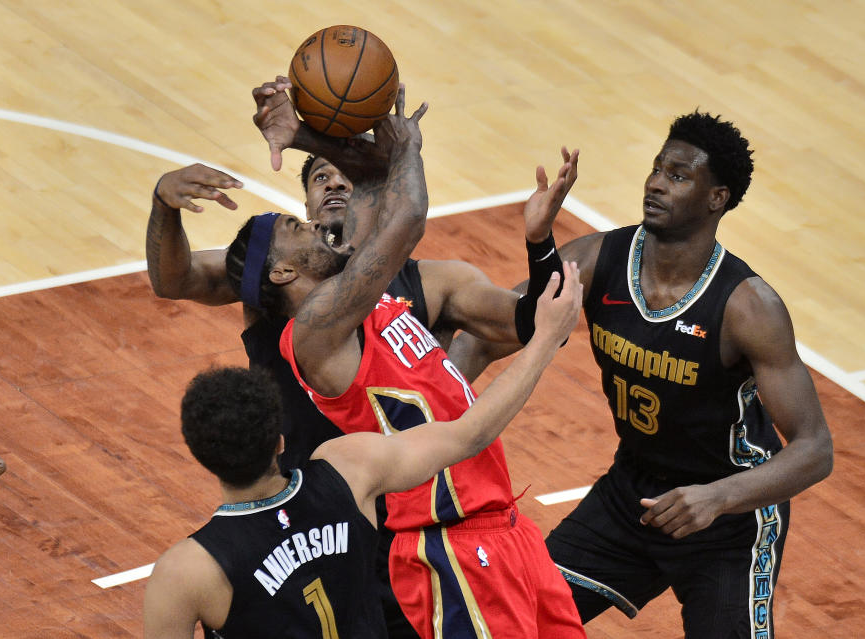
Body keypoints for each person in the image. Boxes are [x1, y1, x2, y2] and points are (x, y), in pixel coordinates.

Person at [148, 83, 576, 638]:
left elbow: (533, 321)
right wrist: (406, 148)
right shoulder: (307, 317)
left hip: (478, 515)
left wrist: (305, 133)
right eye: (316, 178)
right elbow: (407, 213)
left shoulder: (412, 285)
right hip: (361, 521)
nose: (334, 186)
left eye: (345, 175)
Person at [142, 267, 584, 638]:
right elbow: (472, 431)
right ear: (280, 439)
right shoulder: (350, 471)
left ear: (200, 456)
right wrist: (545, 338)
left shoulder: (185, 571)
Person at [534, 111, 834, 638]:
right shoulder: (598, 258)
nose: (654, 182)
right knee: (509, 618)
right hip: (632, 494)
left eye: (677, 176)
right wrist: (540, 243)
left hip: (729, 521)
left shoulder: (748, 307)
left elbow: (814, 450)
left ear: (716, 198)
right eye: (656, 169)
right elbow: (500, 324)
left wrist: (717, 497)